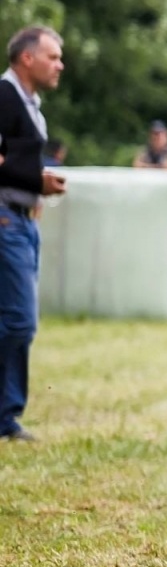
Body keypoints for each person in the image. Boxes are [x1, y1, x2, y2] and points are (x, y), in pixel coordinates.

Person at [0, 26, 68, 443]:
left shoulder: (28, 101)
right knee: (20, 321)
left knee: (14, 321)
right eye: (53, 57)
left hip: (21, 219)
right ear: (28, 58)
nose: (59, 65)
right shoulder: (5, 96)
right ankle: (5, 418)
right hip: (6, 219)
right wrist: (35, 181)